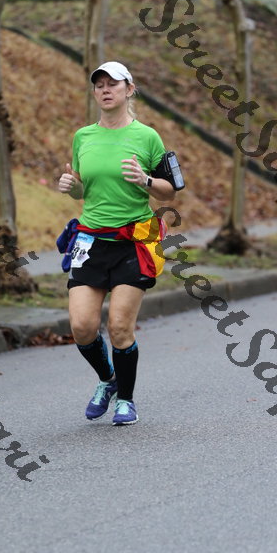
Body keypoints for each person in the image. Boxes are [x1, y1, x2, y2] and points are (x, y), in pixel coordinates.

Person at [58, 61, 177, 426]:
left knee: (120, 327)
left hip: (132, 242)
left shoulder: (147, 137)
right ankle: (108, 380)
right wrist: (71, 186)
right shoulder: (83, 137)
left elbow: (169, 191)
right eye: (100, 85)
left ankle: (126, 399)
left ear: (129, 89)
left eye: (114, 83)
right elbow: (83, 188)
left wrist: (145, 180)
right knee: (82, 327)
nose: (106, 89)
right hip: (91, 241)